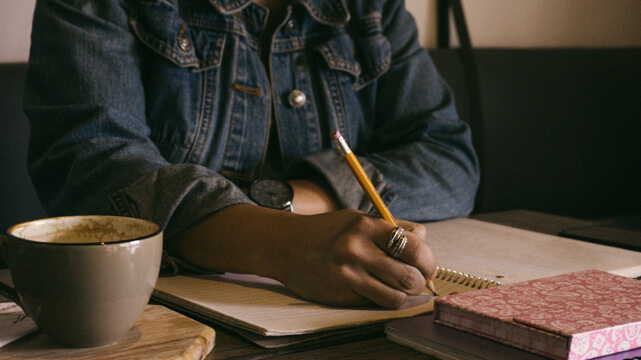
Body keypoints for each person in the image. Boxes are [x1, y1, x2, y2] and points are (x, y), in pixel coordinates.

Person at [24, 0, 479, 309]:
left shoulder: (370, 9)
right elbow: (90, 164)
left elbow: (449, 158)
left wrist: (293, 199)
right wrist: (279, 243)